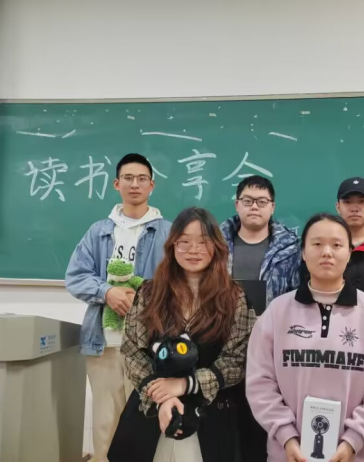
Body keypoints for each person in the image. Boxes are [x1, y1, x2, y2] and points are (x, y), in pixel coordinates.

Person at [246, 213, 364, 462]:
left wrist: (353, 441)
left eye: (337, 245)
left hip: (357, 455)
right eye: (317, 244)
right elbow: (260, 384)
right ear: (303, 253)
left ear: (349, 253)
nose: (326, 252)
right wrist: (286, 436)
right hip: (290, 454)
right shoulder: (276, 312)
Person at [109, 207, 257, 462]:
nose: (193, 250)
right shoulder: (149, 292)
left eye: (203, 241)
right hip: (152, 413)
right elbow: (133, 351)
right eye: (184, 242)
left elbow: (236, 359)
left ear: (216, 247)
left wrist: (186, 384)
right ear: (172, 245)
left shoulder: (235, 297)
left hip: (213, 416)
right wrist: (161, 397)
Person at [65, 153, 171, 462]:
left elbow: (180, 283)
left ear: (151, 185)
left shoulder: (169, 233)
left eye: (141, 179)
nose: (134, 184)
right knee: (105, 424)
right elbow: (75, 277)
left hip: (151, 346)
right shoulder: (98, 231)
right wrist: (106, 292)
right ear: (116, 184)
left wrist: (145, 299)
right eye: (128, 178)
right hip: (106, 344)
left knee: (148, 423)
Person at [302, 177, 364, 321]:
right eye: (347, 202)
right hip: (323, 325)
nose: (355, 208)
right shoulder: (321, 248)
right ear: (338, 206)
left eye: (362, 201)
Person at [220, 175, 301, 306]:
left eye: (262, 202)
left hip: (274, 318)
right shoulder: (217, 244)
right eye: (247, 201)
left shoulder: (289, 249)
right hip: (223, 318)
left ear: (272, 207)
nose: (254, 207)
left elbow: (296, 295)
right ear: (237, 205)